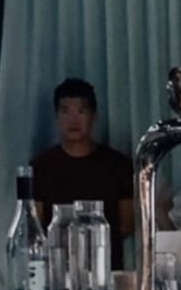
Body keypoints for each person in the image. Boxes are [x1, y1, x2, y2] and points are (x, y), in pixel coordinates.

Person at [31, 78, 135, 271]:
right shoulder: (41, 166)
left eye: (81, 111)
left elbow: (127, 225)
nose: (73, 120)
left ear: (93, 116)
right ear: (56, 117)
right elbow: (35, 225)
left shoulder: (117, 164)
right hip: (57, 270)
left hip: (106, 268)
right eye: (65, 111)